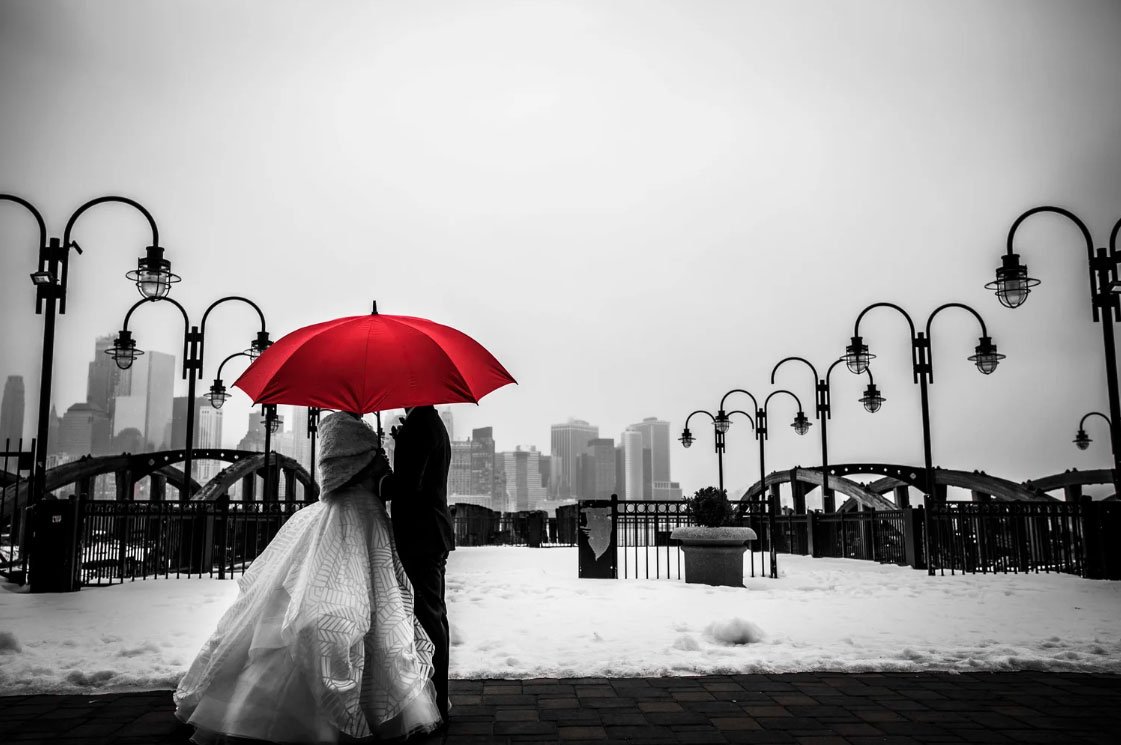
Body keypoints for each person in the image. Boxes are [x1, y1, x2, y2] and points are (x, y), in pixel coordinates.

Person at [173, 412, 442, 744]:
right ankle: (369, 707)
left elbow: (335, 480)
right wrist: (386, 452)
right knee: (373, 610)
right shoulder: (361, 437)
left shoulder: (330, 429)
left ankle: (256, 710)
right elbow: (388, 486)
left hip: (331, 519)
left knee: (310, 599)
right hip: (364, 522)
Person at [373, 404, 453, 721]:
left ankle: (435, 701)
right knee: (433, 615)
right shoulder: (427, 421)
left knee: (429, 617)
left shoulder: (421, 424)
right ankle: (435, 697)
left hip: (422, 535)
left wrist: (376, 482)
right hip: (429, 533)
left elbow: (409, 485)